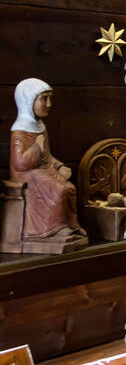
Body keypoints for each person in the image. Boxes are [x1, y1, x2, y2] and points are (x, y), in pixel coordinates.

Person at [9, 78, 88, 249]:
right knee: (57, 188)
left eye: (49, 98)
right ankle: (52, 229)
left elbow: (47, 156)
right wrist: (36, 147)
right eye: (43, 98)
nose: (49, 103)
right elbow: (19, 163)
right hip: (26, 174)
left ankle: (71, 225)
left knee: (69, 188)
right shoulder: (19, 130)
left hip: (42, 170)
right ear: (28, 101)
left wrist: (59, 166)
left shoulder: (39, 126)